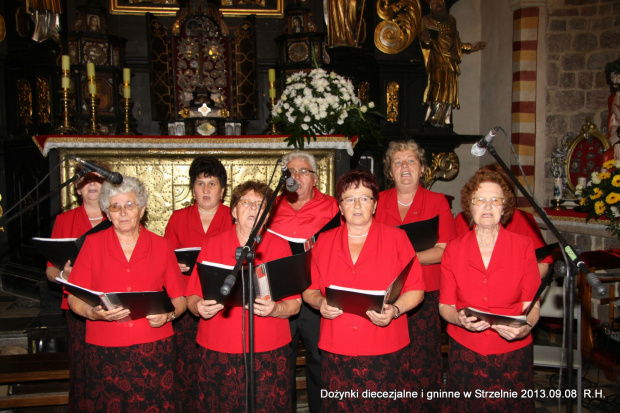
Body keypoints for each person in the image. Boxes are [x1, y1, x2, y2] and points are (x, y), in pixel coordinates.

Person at [303, 170, 425, 412]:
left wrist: (396, 310)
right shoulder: (324, 241)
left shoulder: (397, 238)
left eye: (364, 198)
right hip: (338, 347)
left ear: (375, 204)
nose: (357, 205)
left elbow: (417, 289)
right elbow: (308, 289)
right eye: (349, 199)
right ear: (340, 206)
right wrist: (320, 303)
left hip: (385, 346)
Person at [66, 177, 187, 412]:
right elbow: (74, 297)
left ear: (141, 210)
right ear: (107, 213)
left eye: (129, 205)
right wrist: (92, 313)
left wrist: (169, 316)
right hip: (104, 350)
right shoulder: (91, 245)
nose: (123, 212)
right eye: (115, 206)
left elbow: (179, 299)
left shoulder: (161, 246)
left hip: (154, 349)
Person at [185, 181, 301, 412]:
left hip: (267, 347)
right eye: (246, 202)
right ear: (234, 211)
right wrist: (199, 307)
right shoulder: (212, 243)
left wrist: (275, 309)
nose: (253, 208)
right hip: (219, 347)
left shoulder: (279, 247)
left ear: (267, 215)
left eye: (260, 204)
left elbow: (295, 304)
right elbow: (191, 295)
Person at [439, 169, 541, 412]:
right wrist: (459, 319)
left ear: (504, 207)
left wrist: (525, 327)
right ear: (469, 207)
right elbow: (445, 306)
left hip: (512, 353)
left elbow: (532, 303)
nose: (487, 206)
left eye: (495, 200)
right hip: (466, 352)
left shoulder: (524, 246)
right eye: (480, 200)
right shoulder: (453, 249)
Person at [374, 140, 456, 410]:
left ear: (422, 169)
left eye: (411, 161)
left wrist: (402, 259)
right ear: (390, 172)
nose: (404, 167)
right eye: (397, 162)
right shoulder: (378, 202)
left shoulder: (437, 202)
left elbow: (444, 250)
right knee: (388, 359)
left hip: (426, 294)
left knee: (423, 361)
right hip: (385, 292)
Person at [268, 150, 340, 413]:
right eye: (290, 172)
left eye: (302, 171)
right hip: (281, 296)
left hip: (316, 295)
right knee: (279, 363)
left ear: (315, 178)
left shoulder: (334, 206)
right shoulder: (270, 207)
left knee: (320, 361)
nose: (295, 176)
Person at [164, 155, 231, 413]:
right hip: (184, 298)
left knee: (216, 365)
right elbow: (165, 259)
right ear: (192, 188)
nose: (205, 189)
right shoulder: (178, 218)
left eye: (212, 183)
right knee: (186, 364)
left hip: (220, 300)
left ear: (222, 190)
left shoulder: (233, 217)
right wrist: (173, 264)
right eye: (200, 183)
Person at [44, 162, 108, 413]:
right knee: (82, 369)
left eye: (98, 179)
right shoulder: (64, 219)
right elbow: (50, 270)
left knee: (107, 365)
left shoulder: (119, 215)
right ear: (77, 189)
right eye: (86, 180)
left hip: (111, 301)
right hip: (77, 303)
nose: (92, 184)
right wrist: (63, 274)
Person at [453, 164, 551, 277]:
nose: (488, 205)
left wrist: (519, 286)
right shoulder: (461, 220)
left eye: (495, 198)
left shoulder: (523, 219)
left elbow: (542, 264)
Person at [419, 0, 485, 127]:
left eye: (439, 2)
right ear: (430, 6)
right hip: (437, 61)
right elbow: (424, 42)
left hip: (450, 63)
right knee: (436, 90)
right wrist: (426, 40)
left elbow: (455, 42)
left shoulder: (451, 20)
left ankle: (445, 119)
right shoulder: (426, 20)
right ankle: (433, 118)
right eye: (433, 3)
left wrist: (470, 47)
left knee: (448, 91)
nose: (437, 5)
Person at [605, 58, 620, 160]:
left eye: (618, 77)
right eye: (612, 77)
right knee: (607, 156)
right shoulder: (611, 99)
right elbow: (612, 122)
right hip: (615, 140)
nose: (615, 81)